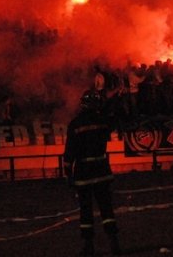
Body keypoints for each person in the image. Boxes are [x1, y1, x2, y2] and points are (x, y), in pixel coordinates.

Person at [63, 90, 121, 256]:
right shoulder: (103, 122)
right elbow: (113, 120)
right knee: (106, 208)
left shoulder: (75, 124)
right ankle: (114, 243)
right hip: (102, 169)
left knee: (86, 210)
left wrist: (68, 172)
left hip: (83, 173)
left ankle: (89, 246)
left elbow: (70, 151)